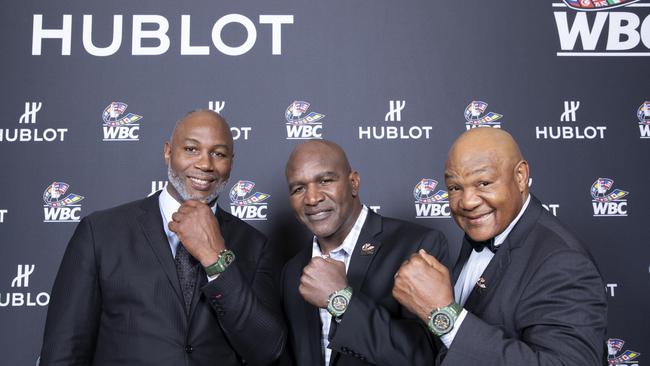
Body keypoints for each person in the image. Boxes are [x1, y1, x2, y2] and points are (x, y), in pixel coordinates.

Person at [40, 110, 286, 366]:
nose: (205, 164)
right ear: (168, 152)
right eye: (191, 149)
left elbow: (267, 350)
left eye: (219, 154)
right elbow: (64, 351)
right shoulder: (100, 232)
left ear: (231, 162)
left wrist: (215, 259)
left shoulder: (255, 246)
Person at [393, 128, 607, 365]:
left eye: (483, 183)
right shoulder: (482, 233)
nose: (467, 201)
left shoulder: (563, 261)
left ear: (520, 176)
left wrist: (443, 315)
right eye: (455, 187)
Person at [280, 140, 448, 365]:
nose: (312, 198)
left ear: (354, 183)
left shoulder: (417, 246)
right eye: (298, 188)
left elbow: (424, 358)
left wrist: (341, 301)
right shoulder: (292, 271)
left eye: (325, 180)